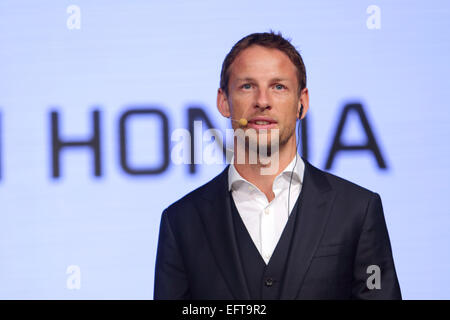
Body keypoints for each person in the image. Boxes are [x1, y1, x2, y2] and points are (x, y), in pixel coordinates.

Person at [154, 32, 401, 299]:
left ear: (302, 103)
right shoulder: (181, 222)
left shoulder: (357, 209)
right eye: (247, 86)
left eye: (278, 87)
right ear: (223, 101)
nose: (262, 101)